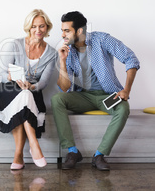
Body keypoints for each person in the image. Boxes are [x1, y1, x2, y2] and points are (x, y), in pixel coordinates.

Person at [52, 11, 140, 171]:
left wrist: (126, 90)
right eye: (62, 30)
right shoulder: (68, 51)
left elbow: (131, 58)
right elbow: (64, 88)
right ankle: (72, 152)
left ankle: (99, 155)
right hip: (82, 97)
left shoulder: (102, 40)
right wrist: (63, 62)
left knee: (123, 108)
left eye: (67, 30)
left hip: (107, 96)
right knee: (57, 99)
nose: (63, 34)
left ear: (79, 31)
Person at [0, 9, 57, 170]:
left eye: (42, 26)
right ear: (28, 27)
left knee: (26, 95)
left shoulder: (52, 53)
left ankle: (18, 154)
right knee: (23, 96)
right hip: (8, 89)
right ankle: (34, 145)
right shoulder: (16, 44)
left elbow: (43, 83)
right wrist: (12, 78)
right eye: (34, 26)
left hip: (32, 91)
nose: (38, 30)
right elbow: (1, 74)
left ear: (47, 27)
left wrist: (31, 86)